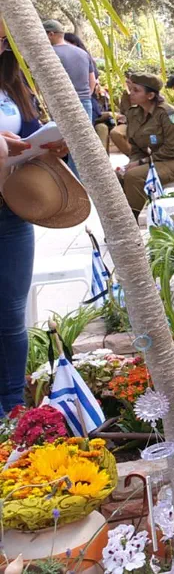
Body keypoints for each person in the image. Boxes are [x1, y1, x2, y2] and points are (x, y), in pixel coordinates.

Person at [0, 45, 75, 413]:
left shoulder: (13, 83)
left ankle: (13, 409)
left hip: (11, 210)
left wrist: (51, 147)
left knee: (11, 316)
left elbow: (31, 132)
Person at [116, 72, 174, 213]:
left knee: (134, 177)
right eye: (131, 89)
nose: (131, 93)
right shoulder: (134, 113)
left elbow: (172, 149)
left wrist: (141, 163)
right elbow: (135, 147)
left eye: (136, 90)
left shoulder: (168, 114)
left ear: (150, 95)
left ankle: (133, 219)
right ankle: (118, 216)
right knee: (118, 176)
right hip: (153, 160)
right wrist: (132, 163)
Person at [43, 20, 96, 120]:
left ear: (51, 34)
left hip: (62, 103)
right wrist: (86, 96)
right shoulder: (83, 53)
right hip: (85, 102)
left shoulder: (50, 54)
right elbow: (92, 80)